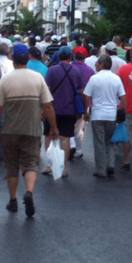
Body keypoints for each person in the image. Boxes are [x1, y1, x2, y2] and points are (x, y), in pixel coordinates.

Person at [0, 43, 56, 217]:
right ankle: (29, 191)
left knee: (11, 166)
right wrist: (54, 128)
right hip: (32, 129)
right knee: (30, 163)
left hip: (10, 130)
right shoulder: (37, 78)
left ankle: (13, 200)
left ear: (13, 60)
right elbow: (48, 106)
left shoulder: (5, 79)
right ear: (27, 59)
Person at [42, 46, 84, 177]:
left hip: (52, 109)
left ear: (59, 57)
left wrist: (42, 108)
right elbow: (81, 91)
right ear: (71, 57)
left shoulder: (52, 70)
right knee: (65, 138)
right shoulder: (76, 71)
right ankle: (64, 168)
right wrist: (83, 108)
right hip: (69, 109)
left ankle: (50, 165)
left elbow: (46, 90)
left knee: (49, 135)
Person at [83, 55, 127, 178]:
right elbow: (123, 97)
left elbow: (87, 97)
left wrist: (86, 112)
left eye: (97, 63)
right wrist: (122, 112)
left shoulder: (94, 78)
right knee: (110, 142)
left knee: (99, 143)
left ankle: (101, 169)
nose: (95, 64)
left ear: (102, 64)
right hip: (112, 115)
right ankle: (110, 165)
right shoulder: (116, 78)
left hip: (98, 114)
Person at [71, 48, 96, 159]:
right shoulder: (90, 70)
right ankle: (78, 148)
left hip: (69, 101)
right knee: (81, 127)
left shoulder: (70, 68)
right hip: (85, 101)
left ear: (74, 56)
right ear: (85, 57)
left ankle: (69, 144)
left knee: (69, 125)